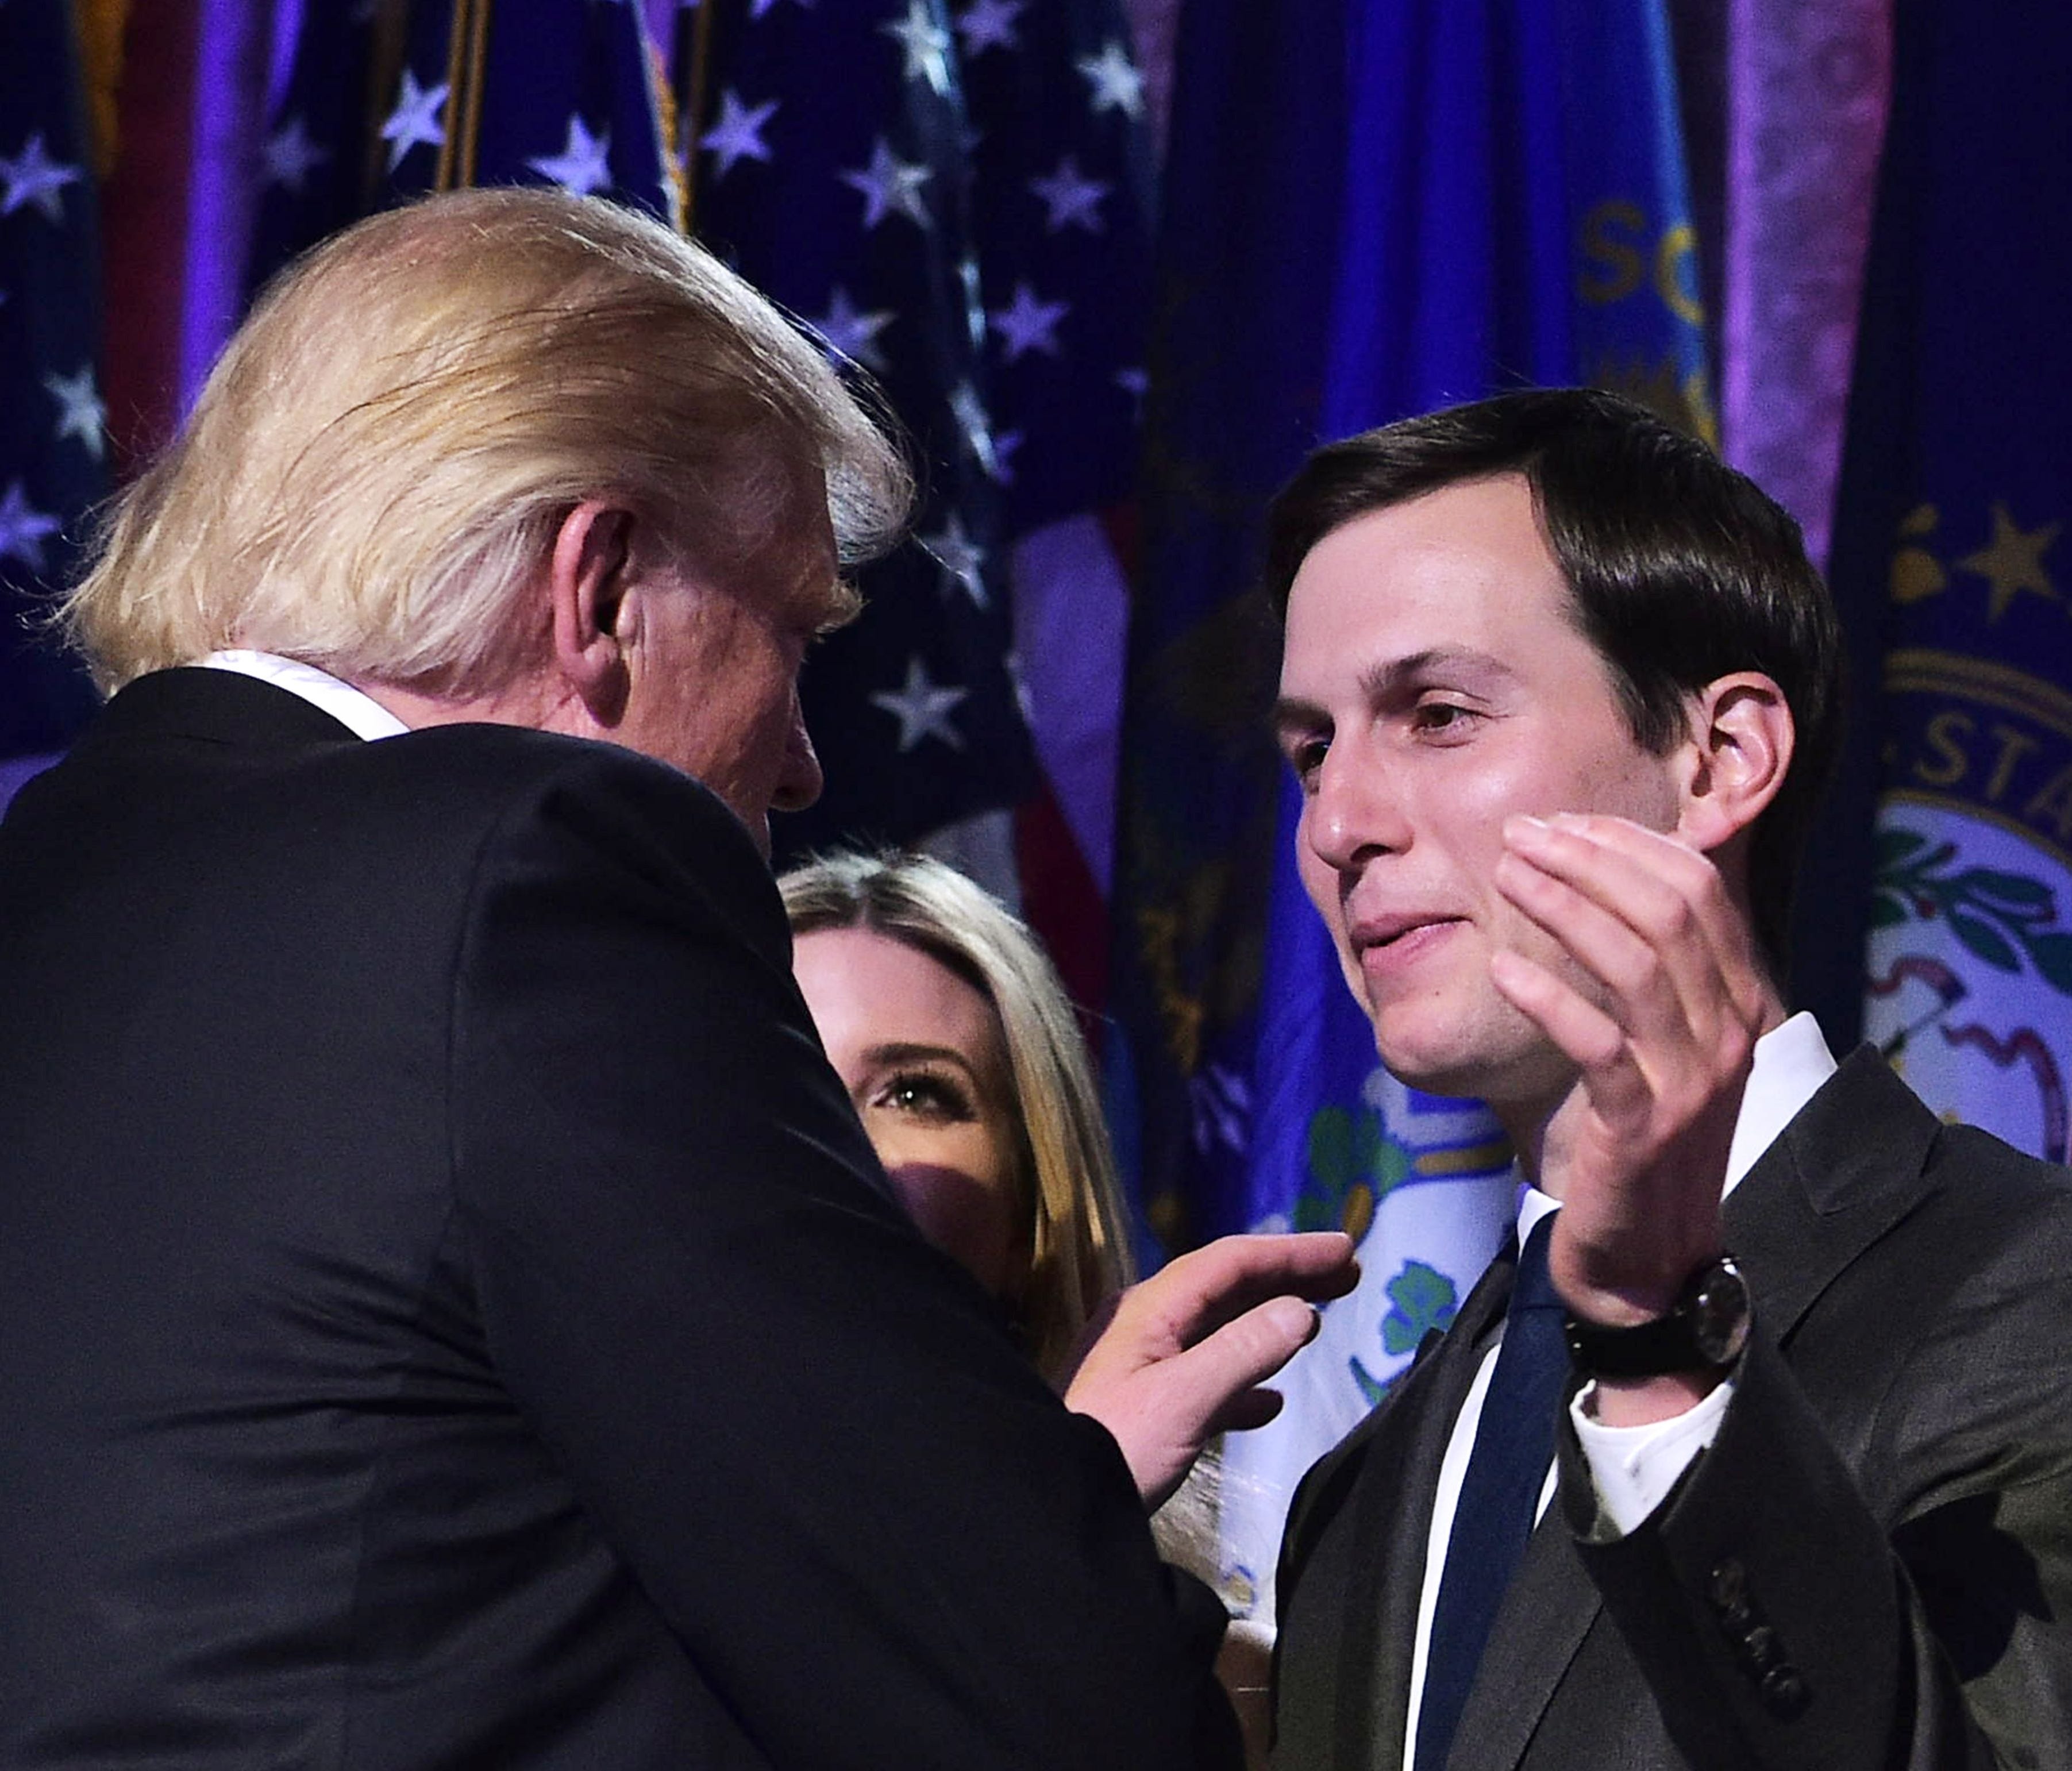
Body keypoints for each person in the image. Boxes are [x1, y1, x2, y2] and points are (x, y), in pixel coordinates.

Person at [0, 186, 1353, 1770]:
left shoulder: (50, 895)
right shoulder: (532, 865)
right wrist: (1026, 1530)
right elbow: (1042, 1702)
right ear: (597, 588)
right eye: (788, 631)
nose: (798, 763)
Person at [1264, 388, 2072, 1770]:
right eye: (1311, 748)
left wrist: (1658, 1351)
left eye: (1439, 714)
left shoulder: (2029, 1293)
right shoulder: (1360, 1481)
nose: (1338, 823)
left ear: (1720, 759)